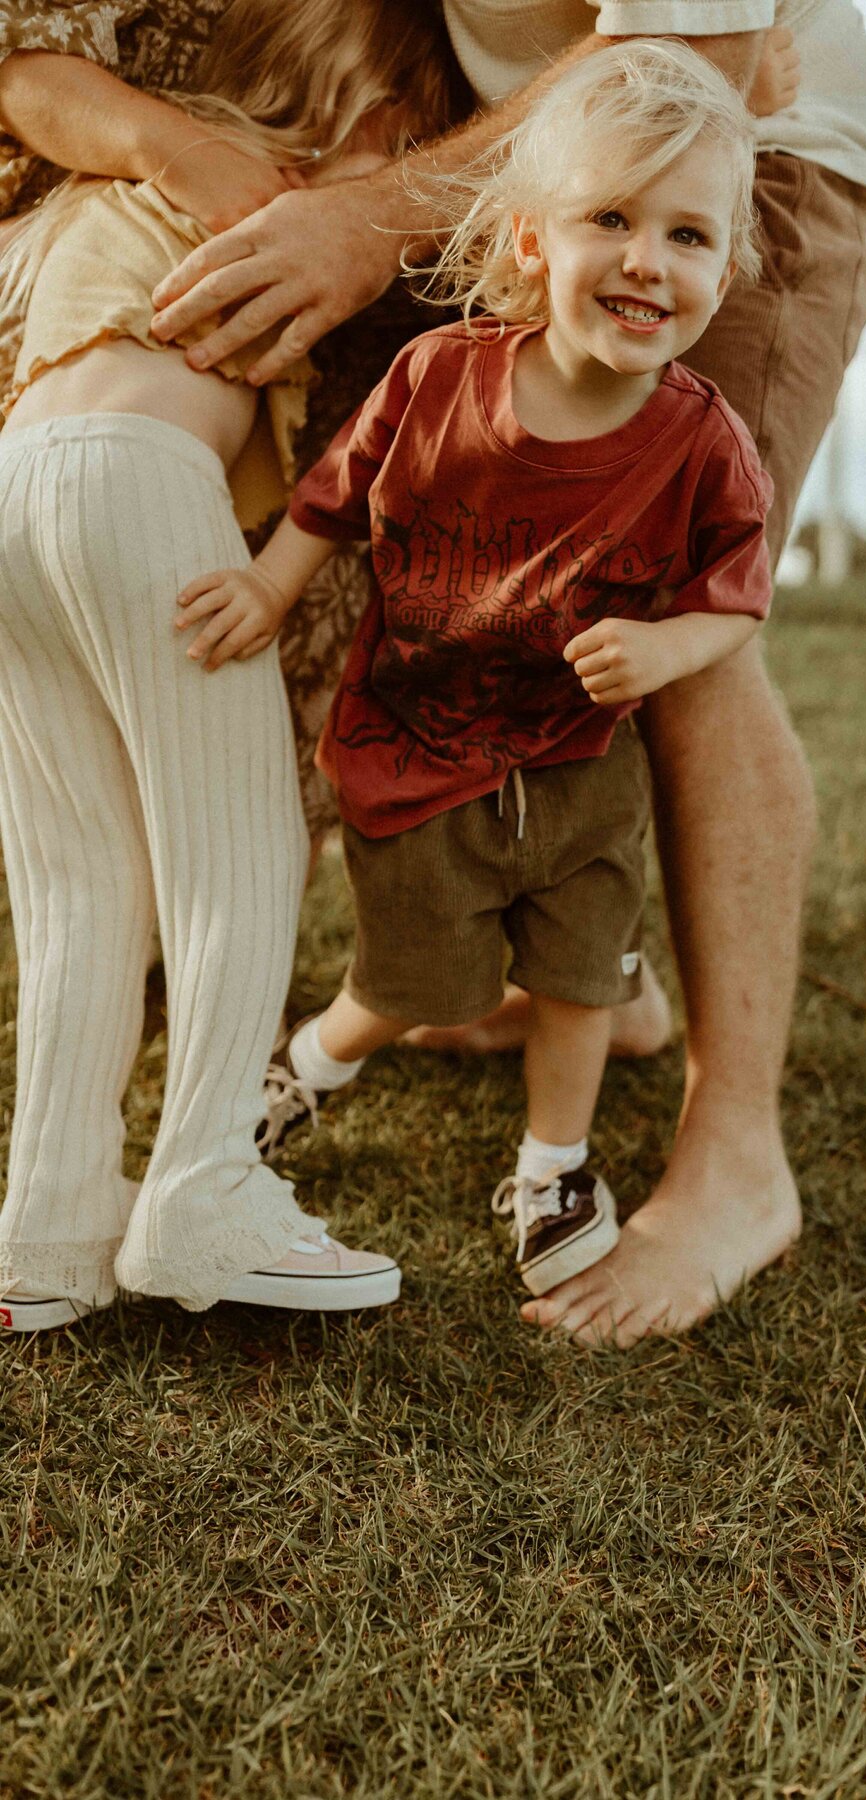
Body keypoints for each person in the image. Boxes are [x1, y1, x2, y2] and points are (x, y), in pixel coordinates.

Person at [144, 1, 866, 1349]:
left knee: (670, 628)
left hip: (730, 149)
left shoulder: (680, 264)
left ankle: (734, 1162)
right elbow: (353, 487)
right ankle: (582, 979)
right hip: (526, 173)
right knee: (481, 574)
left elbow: (696, 70)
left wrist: (370, 218)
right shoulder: (458, 357)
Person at [0, 0, 453, 1329]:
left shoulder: (117, 175)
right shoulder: (272, 210)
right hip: (138, 488)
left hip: (14, 491)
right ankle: (202, 1183)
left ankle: (44, 1232)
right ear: (368, 126)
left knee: (80, 884)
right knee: (234, 854)